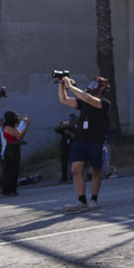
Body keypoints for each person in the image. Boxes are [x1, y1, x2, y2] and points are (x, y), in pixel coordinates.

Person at [57, 74, 111, 212]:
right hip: (80, 141)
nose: (91, 86)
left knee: (95, 171)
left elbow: (87, 98)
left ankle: (94, 198)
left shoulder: (104, 103)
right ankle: (81, 200)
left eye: (95, 85)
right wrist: (61, 85)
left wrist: (71, 86)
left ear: (100, 89)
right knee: (75, 169)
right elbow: (64, 100)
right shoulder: (83, 103)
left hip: (96, 141)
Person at [0, 110, 30, 196]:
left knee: (15, 169)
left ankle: (13, 188)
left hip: (16, 147)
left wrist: (24, 122)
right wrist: (26, 126)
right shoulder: (7, 127)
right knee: (9, 169)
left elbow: (21, 135)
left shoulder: (13, 126)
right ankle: (6, 189)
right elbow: (19, 135)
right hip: (10, 148)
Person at [55, 114, 77, 183]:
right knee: (64, 163)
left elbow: (76, 136)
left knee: (73, 163)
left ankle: (74, 176)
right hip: (64, 148)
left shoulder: (75, 128)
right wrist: (60, 124)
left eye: (71, 122)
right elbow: (57, 129)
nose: (69, 124)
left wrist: (69, 133)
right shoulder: (65, 128)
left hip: (72, 147)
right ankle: (64, 177)